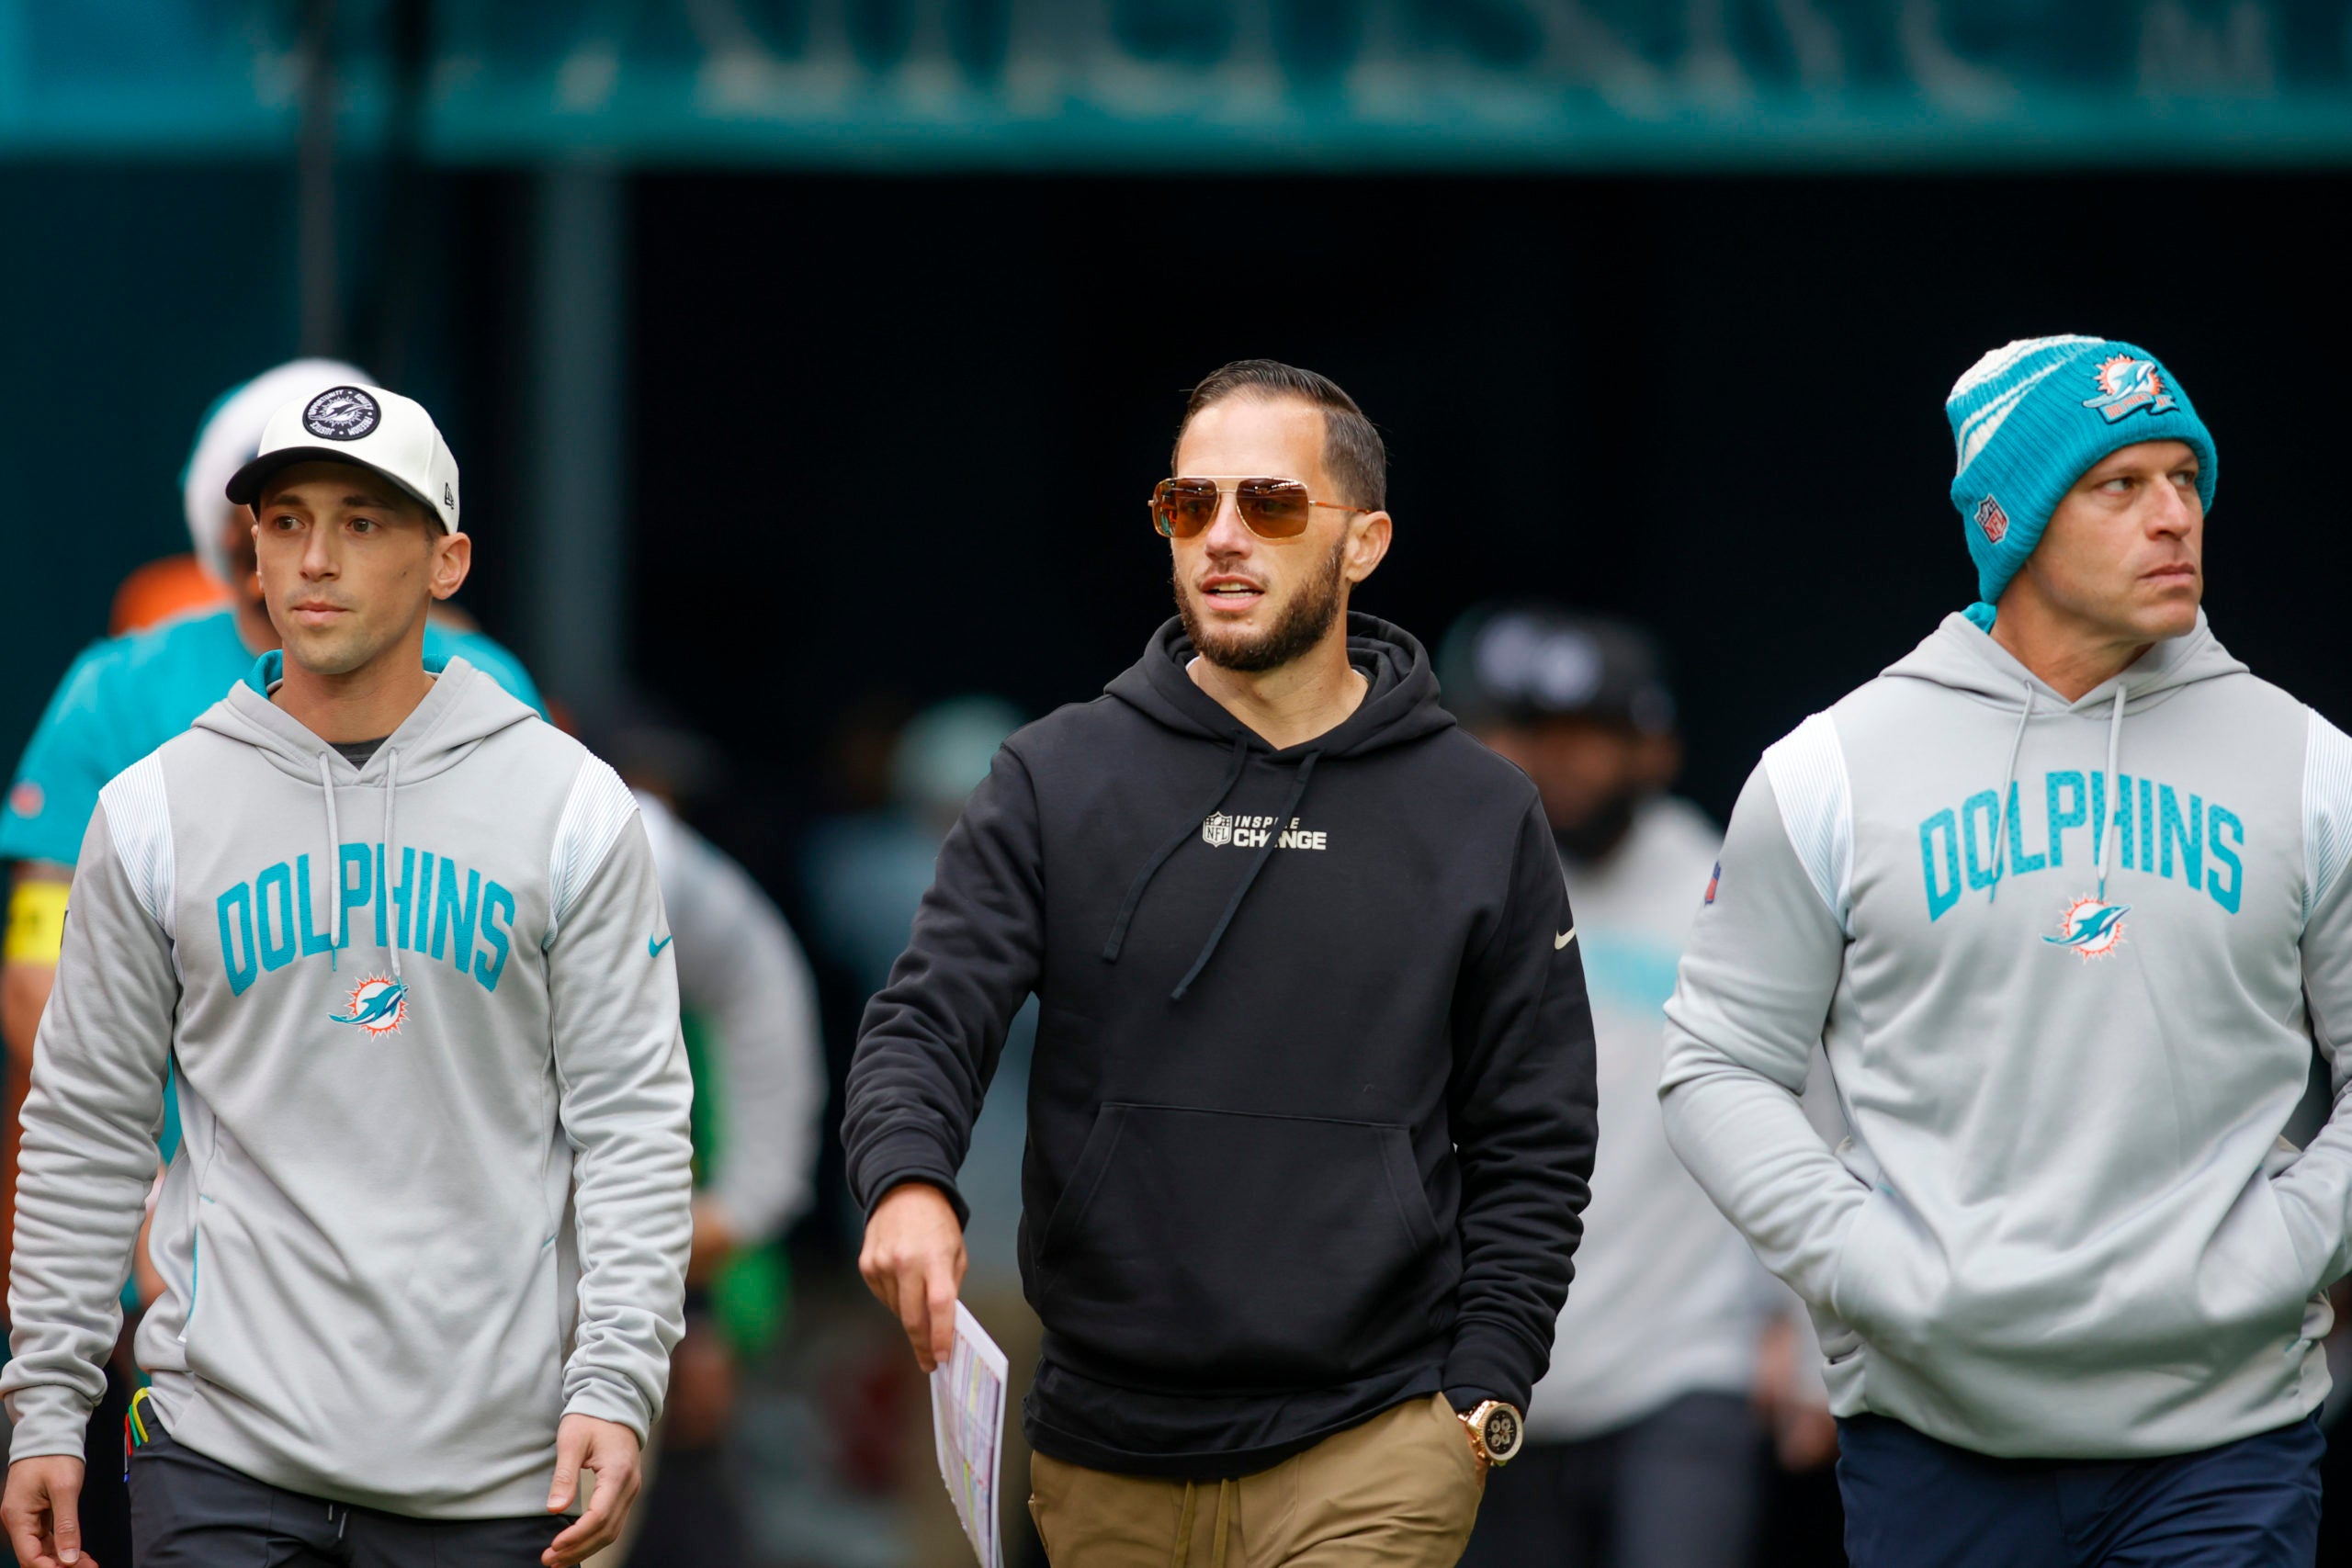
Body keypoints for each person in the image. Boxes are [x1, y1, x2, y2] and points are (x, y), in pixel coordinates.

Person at [843, 359, 1599, 1566]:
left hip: (1376, 1441)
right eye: (1190, 506)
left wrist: (1486, 1388)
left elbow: (1536, 1129)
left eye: (1272, 504)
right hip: (1107, 1450)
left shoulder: (1479, 811)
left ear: (1365, 542)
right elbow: (929, 1016)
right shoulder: (1056, 775)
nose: (1224, 537)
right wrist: (909, 1180)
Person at [1660, 336, 2346, 1567]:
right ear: (2009, 519)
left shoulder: (2312, 766)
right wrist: (1862, 1258)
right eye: (2118, 484)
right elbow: (1714, 1060)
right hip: (1936, 1437)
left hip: (2224, 1439)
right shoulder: (1831, 770)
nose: (2174, 515)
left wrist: (2292, 1241)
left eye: (2185, 477)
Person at [0, 381, 694, 1568]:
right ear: (250, 554)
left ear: (447, 559)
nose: (317, 557)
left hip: (490, 1461)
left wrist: (620, 1380)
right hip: (218, 1448)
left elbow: (633, 1122)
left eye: (364, 521)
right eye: (286, 520)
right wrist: (46, 1401)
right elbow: (86, 1124)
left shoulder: (570, 805)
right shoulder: (153, 807)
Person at [1442, 604, 1830, 1568]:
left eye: (1597, 735)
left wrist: (1809, 1327)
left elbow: (1814, 1109)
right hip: (1488, 1365)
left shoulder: (1729, 884)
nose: (1567, 760)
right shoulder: (1457, 885)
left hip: (1683, 1363)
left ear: (1654, 748)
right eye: (1539, 733)